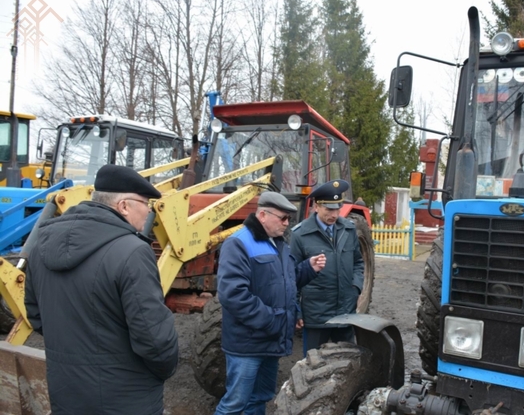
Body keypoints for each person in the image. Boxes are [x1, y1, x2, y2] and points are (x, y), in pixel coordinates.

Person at [25, 164, 179, 415]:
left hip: (66, 392)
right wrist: (165, 369)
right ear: (124, 206)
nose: (148, 212)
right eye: (146, 204)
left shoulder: (41, 245)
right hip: (126, 397)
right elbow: (154, 339)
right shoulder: (133, 251)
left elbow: (35, 315)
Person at [214, 191, 326, 415]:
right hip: (247, 345)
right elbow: (233, 295)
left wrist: (307, 269)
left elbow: (285, 282)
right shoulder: (238, 244)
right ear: (262, 215)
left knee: (259, 400)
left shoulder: (278, 244)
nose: (287, 224)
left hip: (270, 341)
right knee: (235, 404)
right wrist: (273, 321)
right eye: (283, 218)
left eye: (289, 219)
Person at [290, 179, 364, 353]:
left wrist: (355, 287)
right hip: (316, 316)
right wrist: (296, 310)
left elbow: (358, 262)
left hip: (346, 313)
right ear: (317, 206)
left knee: (348, 364)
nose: (334, 214)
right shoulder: (300, 235)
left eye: (337, 208)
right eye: (329, 209)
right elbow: (292, 276)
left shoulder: (348, 229)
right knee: (312, 366)